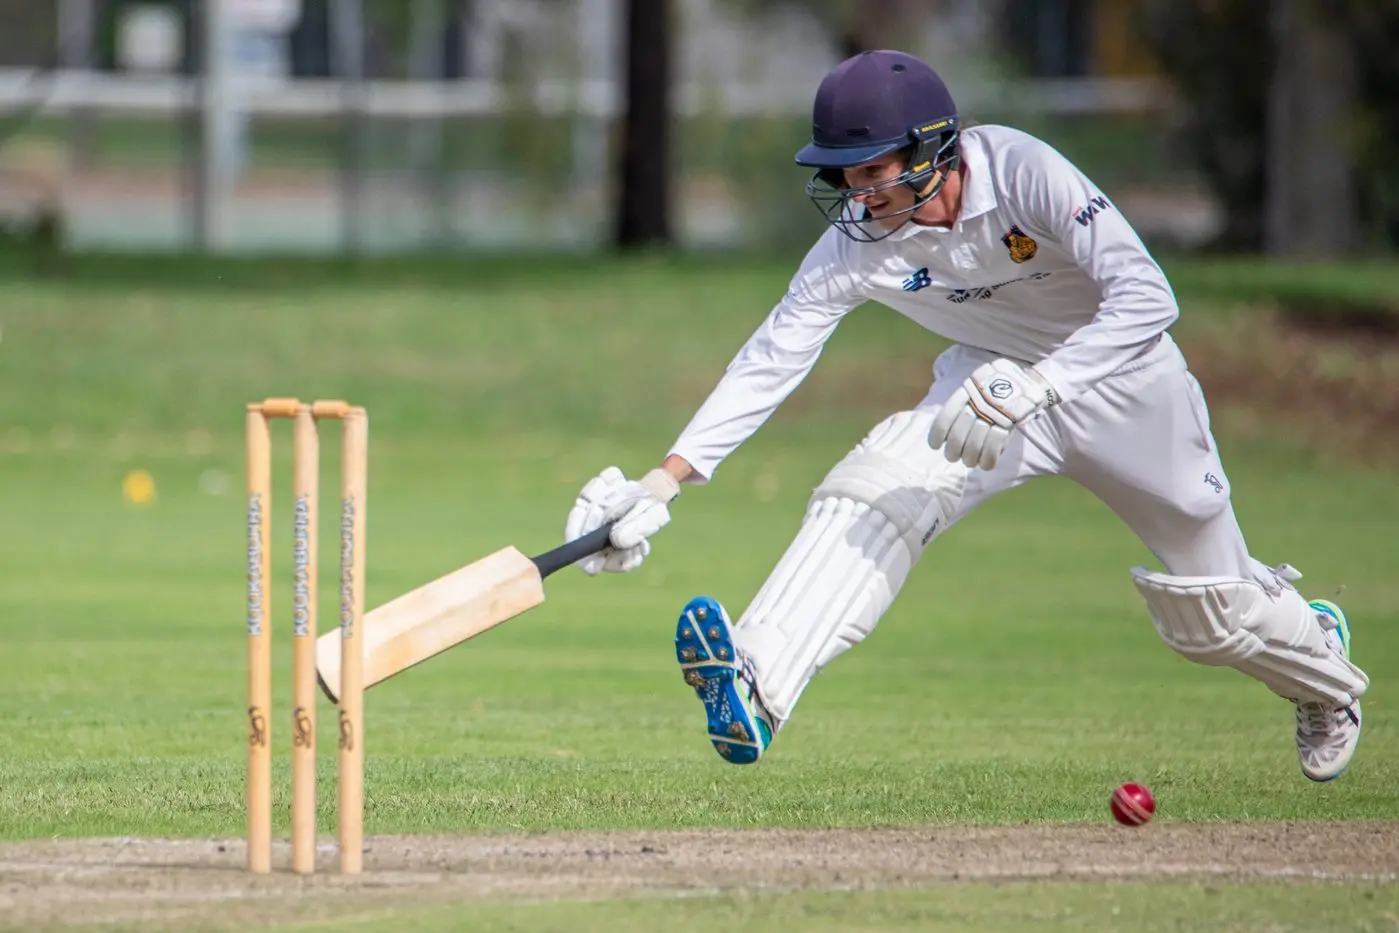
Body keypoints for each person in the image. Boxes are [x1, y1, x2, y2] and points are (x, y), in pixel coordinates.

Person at [563, 49, 1368, 782]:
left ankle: (1321, 668)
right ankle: (756, 679)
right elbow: (772, 357)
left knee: (1213, 616)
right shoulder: (857, 243)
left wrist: (1045, 384)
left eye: (872, 170)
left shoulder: (1023, 170)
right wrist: (663, 481)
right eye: (843, 176)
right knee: (877, 484)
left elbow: (1147, 295)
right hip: (984, 392)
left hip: (1124, 385)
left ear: (932, 148)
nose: (856, 194)